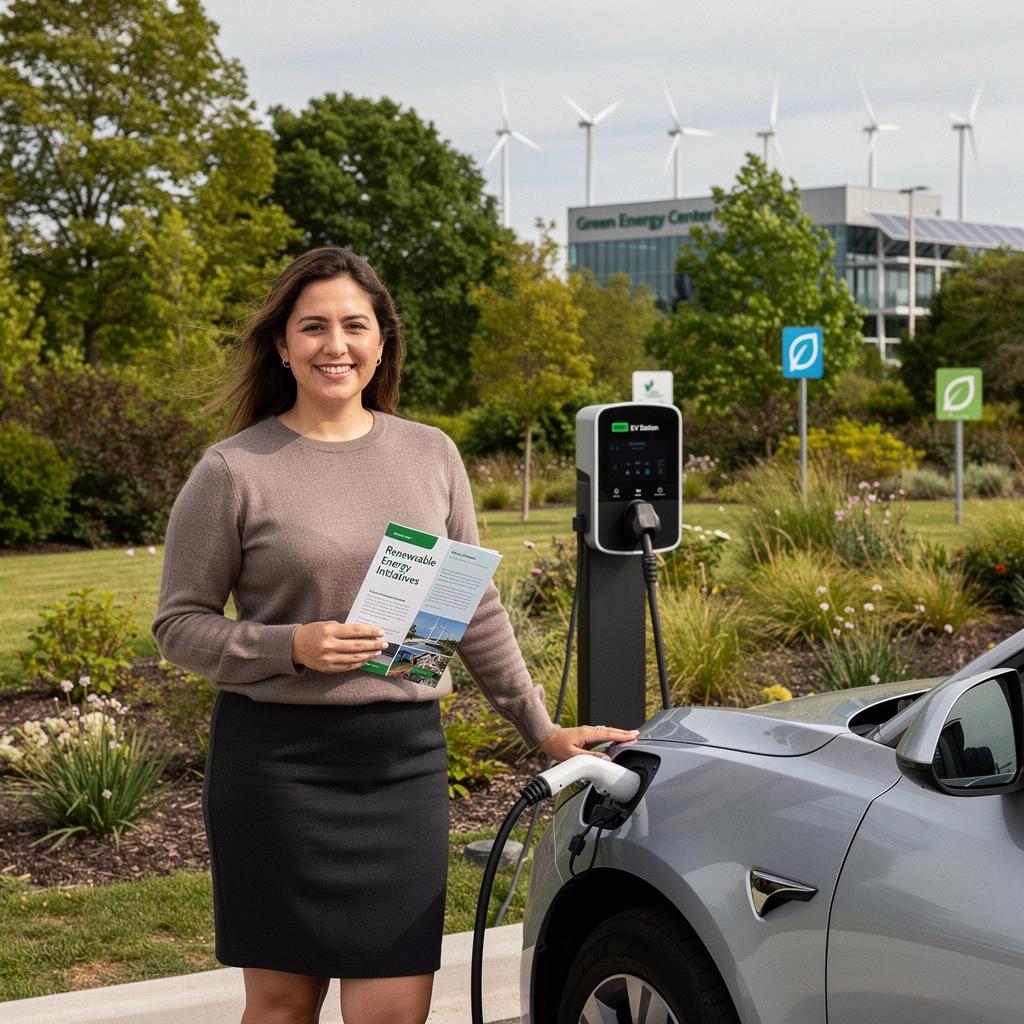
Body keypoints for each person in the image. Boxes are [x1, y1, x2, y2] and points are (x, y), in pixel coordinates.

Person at [153, 246, 637, 1024]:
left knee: (393, 1014)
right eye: (313, 326)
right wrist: (289, 647)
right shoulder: (234, 470)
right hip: (275, 769)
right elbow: (178, 626)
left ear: (382, 342)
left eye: (354, 325)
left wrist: (542, 731)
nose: (335, 345)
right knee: (281, 1009)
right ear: (282, 345)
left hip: (402, 767)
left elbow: (473, 608)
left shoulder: (430, 453)